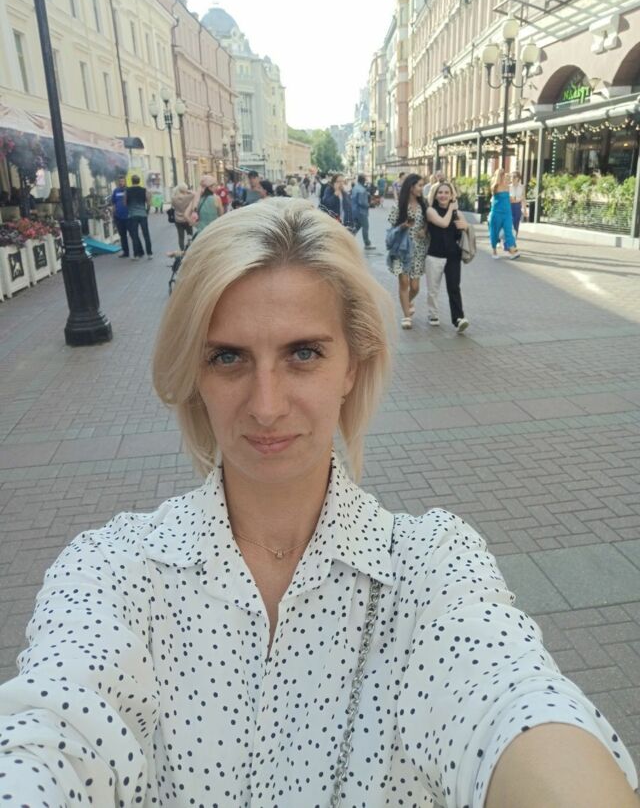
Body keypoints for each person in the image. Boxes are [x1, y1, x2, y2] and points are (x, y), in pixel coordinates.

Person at [0, 198, 637, 807]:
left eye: (303, 354)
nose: (266, 405)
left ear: (353, 364)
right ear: (194, 373)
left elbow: (508, 697)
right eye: (228, 357)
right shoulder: (114, 572)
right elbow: (55, 727)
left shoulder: (430, 569)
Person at [425, 180, 470, 333]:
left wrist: (466, 226)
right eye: (440, 192)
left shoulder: (458, 213)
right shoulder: (431, 211)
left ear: (451, 195)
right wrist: (451, 208)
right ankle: (433, 314)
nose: (443, 195)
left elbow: (466, 228)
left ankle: (458, 318)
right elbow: (443, 223)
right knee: (433, 289)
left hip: (453, 256)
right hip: (434, 255)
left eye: (446, 193)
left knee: (454, 287)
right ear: (435, 195)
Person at [387, 173, 428, 329]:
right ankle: (406, 316)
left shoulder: (423, 205)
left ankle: (408, 302)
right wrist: (402, 226)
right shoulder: (399, 206)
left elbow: (427, 223)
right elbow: (391, 226)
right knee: (404, 282)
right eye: (419, 185)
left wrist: (424, 230)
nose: (422, 188)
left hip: (418, 249)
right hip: (402, 249)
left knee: (415, 287)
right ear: (411, 187)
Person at [489, 168, 520, 259]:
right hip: (497, 213)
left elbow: (508, 199)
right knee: (494, 232)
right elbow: (497, 196)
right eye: (502, 175)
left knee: (508, 231)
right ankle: (494, 251)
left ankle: (512, 251)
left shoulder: (507, 187)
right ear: (499, 176)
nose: (505, 177)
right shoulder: (495, 186)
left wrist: (515, 199)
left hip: (507, 213)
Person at [188, 174, 223, 238]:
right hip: (214, 232)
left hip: (201, 233)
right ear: (209, 187)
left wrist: (196, 225)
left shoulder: (196, 199)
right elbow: (221, 215)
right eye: (215, 185)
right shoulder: (217, 198)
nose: (216, 187)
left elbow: (186, 215)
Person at [126, 174, 153, 259]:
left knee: (135, 235)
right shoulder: (144, 190)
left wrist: (130, 206)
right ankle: (149, 254)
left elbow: (124, 202)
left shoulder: (127, 190)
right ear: (139, 181)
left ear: (131, 181)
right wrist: (147, 211)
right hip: (143, 214)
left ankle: (136, 255)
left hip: (132, 215)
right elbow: (148, 202)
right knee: (146, 234)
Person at [351, 173, 374, 250]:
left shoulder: (355, 187)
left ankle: (349, 237)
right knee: (365, 226)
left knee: (358, 226)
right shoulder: (362, 190)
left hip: (354, 210)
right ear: (363, 181)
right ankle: (367, 243)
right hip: (361, 211)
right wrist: (369, 204)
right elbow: (362, 202)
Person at [170, 182, 195, 251]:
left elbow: (173, 206)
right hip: (187, 219)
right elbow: (195, 194)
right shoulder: (188, 197)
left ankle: (182, 251)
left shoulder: (173, 198)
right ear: (185, 189)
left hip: (178, 220)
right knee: (190, 235)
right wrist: (188, 191)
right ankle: (190, 249)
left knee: (181, 237)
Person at [111, 176, 131, 258]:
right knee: (123, 236)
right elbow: (113, 203)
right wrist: (113, 215)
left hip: (128, 217)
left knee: (133, 235)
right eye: (120, 181)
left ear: (125, 182)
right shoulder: (116, 191)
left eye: (122, 181)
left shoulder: (129, 190)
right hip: (119, 217)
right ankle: (126, 252)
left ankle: (138, 252)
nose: (121, 183)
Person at [509, 170, 525, 237]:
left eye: (514, 177)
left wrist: (524, 209)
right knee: (509, 223)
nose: (512, 178)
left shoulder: (522, 187)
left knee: (516, 224)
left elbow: (523, 198)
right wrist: (516, 199)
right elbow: (508, 199)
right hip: (509, 206)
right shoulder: (508, 187)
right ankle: (508, 239)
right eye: (511, 176)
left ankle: (514, 239)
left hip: (517, 207)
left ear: (518, 178)